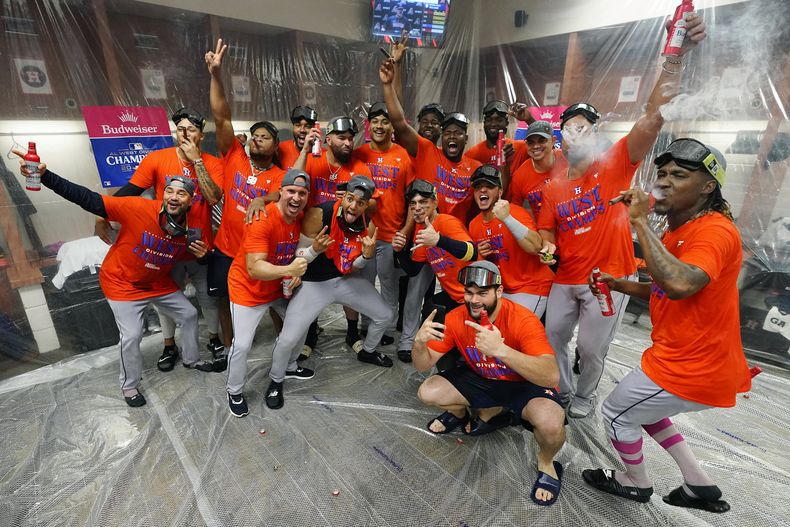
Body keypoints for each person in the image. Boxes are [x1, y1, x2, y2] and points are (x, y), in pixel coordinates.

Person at [536, 14, 707, 418]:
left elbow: (654, 113)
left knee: (592, 348)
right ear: (561, 133)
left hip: (608, 276)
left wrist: (674, 54)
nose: (577, 133)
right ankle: (560, 390)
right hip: (565, 278)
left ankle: (584, 396)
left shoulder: (614, 162)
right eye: (570, 127)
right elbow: (547, 227)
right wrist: (545, 244)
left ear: (595, 135)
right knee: (552, 338)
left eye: (586, 128)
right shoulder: (554, 183)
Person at [582, 139, 748, 514]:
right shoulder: (679, 230)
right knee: (646, 411)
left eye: (681, 175)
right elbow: (665, 289)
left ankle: (635, 483)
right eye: (663, 173)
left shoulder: (714, 232)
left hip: (693, 366)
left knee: (615, 413)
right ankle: (699, 484)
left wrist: (640, 220)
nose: (666, 181)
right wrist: (618, 283)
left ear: (708, 187)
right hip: (680, 356)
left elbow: (681, 283)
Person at [16, 151, 215, 407]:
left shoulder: (193, 227)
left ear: (191, 200)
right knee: (131, 335)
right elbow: (88, 199)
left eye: (181, 193)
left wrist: (203, 256)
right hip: (123, 283)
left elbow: (199, 257)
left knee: (188, 314)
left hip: (157, 283)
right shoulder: (138, 208)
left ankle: (191, 359)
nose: (174, 197)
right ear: (162, 194)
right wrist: (46, 176)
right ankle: (129, 385)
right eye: (169, 191)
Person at [412, 261, 566, 506]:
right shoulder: (456, 317)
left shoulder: (523, 319)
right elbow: (422, 365)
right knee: (428, 391)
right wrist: (418, 343)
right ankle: (461, 414)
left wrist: (501, 350)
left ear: (499, 291)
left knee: (551, 425)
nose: (474, 300)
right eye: (469, 292)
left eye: (483, 293)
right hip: (483, 378)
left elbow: (551, 376)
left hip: (523, 383)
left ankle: (546, 463)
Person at [94, 106, 224, 369]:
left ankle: (214, 339)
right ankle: (169, 345)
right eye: (180, 129)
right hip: (167, 248)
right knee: (165, 298)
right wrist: (102, 214)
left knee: (207, 298)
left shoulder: (214, 163)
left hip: (200, 247)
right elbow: (132, 190)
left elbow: (212, 197)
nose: (185, 134)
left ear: (201, 133)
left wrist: (196, 160)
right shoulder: (157, 158)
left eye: (192, 129)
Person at [264, 175, 395, 410]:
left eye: (361, 202)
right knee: (288, 338)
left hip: (345, 279)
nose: (354, 206)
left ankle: (368, 351)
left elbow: (354, 266)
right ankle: (277, 378)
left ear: (366, 205)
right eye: (350, 199)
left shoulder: (368, 223)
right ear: (342, 197)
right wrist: (314, 249)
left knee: (385, 315)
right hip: (314, 282)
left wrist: (366, 256)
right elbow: (297, 258)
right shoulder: (318, 215)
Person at [205, 39, 286, 366]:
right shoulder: (235, 157)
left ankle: (284, 349)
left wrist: (263, 198)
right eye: (254, 135)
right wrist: (216, 76)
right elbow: (222, 117)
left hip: (259, 255)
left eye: (264, 136)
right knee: (224, 301)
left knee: (276, 302)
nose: (256, 139)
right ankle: (228, 348)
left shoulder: (280, 174)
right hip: (226, 250)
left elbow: (281, 195)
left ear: (275, 143)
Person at [224, 169, 325, 417]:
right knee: (243, 345)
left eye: (302, 193)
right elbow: (254, 267)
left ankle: (289, 365)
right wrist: (289, 269)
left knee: (302, 321)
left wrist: (306, 259)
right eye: (291, 191)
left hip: (277, 287)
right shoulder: (261, 219)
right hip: (247, 289)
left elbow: (297, 255)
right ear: (281, 192)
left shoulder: (300, 217)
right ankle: (234, 390)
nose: (296, 197)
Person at [296, 116, 374, 346]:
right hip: (315, 233)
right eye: (342, 138)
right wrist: (304, 150)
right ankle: (310, 333)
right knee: (311, 283)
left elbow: (374, 204)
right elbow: (292, 181)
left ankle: (352, 332)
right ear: (328, 139)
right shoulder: (313, 160)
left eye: (351, 138)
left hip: (346, 236)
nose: (348, 143)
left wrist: (354, 200)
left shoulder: (359, 168)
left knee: (349, 280)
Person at [379, 57, 481, 220]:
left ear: (466, 138)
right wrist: (387, 84)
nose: (452, 136)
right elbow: (399, 122)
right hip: (422, 233)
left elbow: (492, 198)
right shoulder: (426, 151)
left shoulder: (475, 168)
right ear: (443, 135)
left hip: (456, 237)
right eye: (448, 132)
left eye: (458, 133)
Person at [393, 180, 477, 363]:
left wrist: (439, 240)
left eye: (423, 202)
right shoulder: (421, 232)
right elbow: (413, 270)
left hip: (475, 296)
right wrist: (399, 251)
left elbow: (472, 252)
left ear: (435, 203)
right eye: (413, 204)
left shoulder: (446, 222)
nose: (417, 207)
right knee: (431, 309)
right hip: (455, 296)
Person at [353, 101, 414, 346]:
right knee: (364, 284)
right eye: (375, 121)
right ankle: (368, 326)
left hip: (391, 233)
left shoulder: (404, 156)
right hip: (363, 233)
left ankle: (386, 328)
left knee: (389, 285)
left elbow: (412, 199)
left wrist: (406, 230)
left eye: (385, 121)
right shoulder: (359, 154)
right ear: (368, 125)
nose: (379, 126)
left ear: (393, 125)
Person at [468, 165, 554, 317]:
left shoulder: (515, 212)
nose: (482, 190)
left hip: (531, 287)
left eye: (489, 186)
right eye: (478, 187)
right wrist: (481, 254)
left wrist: (507, 219)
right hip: (502, 290)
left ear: (500, 192)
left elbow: (536, 246)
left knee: (516, 332)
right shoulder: (474, 225)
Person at [508, 120, 568, 219]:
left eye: (542, 140)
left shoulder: (567, 159)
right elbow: (517, 211)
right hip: (541, 230)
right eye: (531, 142)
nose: (536, 146)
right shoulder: (519, 176)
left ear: (553, 140)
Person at [465, 99, 529, 177]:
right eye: (489, 120)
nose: (493, 124)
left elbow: (545, 144)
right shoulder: (472, 155)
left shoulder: (519, 148)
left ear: (507, 123)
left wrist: (528, 119)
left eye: (499, 120)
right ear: (484, 123)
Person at [277, 105, 319, 169]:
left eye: (307, 126)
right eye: (298, 125)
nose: (302, 130)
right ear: (293, 127)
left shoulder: (322, 154)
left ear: (314, 129)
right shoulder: (280, 149)